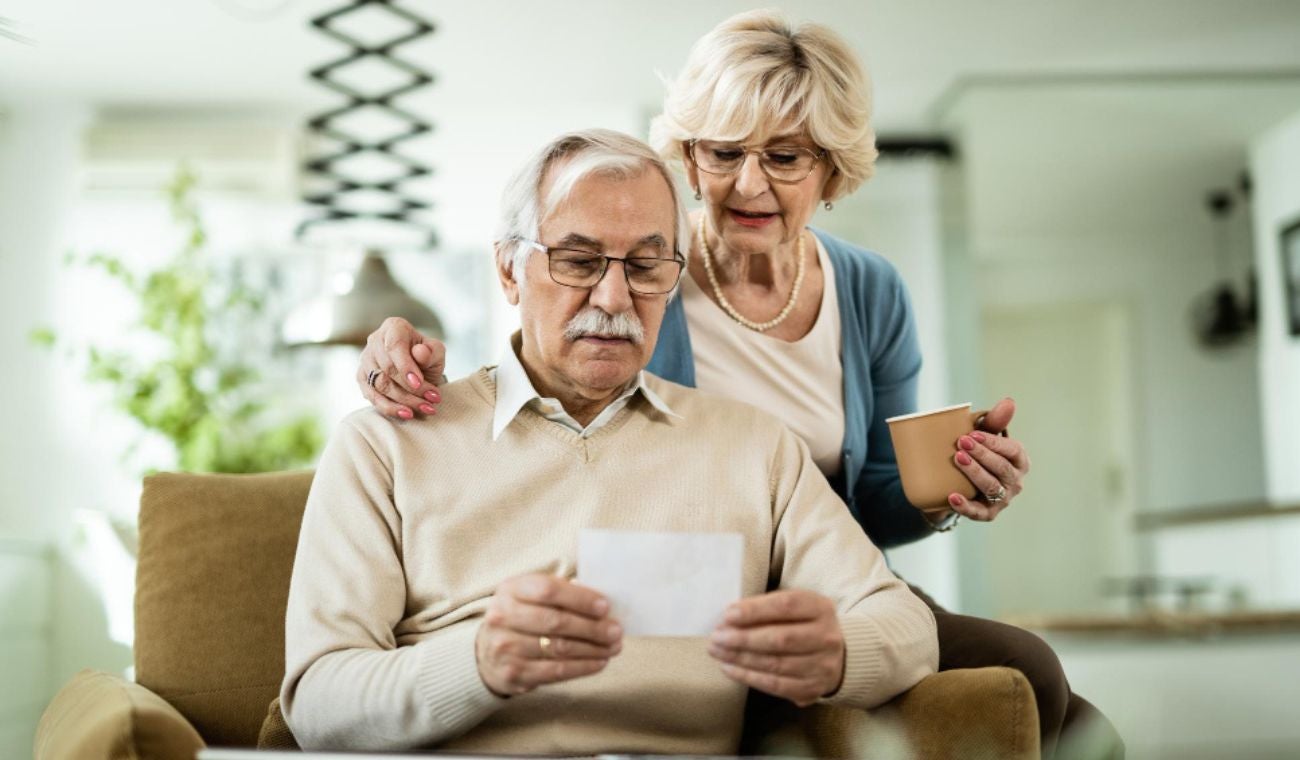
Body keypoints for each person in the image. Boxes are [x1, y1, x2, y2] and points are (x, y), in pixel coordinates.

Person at [352, 10, 1122, 760]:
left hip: (816, 581)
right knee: (1034, 683)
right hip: (687, 585)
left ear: (831, 170)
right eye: (724, 153)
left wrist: (948, 487)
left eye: (785, 157)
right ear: (689, 160)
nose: (749, 184)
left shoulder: (869, 290)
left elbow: (873, 502)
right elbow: (547, 365)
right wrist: (400, 355)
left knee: (1055, 696)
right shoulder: (643, 270)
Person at [281, 129, 938, 753]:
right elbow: (317, 703)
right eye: (578, 261)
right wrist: (476, 663)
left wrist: (840, 655)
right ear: (509, 270)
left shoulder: (754, 447)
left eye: (646, 266)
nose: (616, 297)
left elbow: (905, 626)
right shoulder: (386, 445)